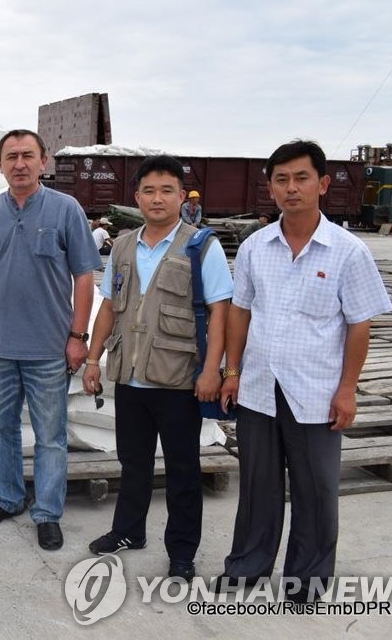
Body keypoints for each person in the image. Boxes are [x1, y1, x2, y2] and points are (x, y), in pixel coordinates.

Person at [218, 140, 392, 602]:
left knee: (316, 491)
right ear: (270, 187)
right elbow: (240, 312)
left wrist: (347, 390)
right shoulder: (256, 247)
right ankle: (247, 566)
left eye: (301, 178)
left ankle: (306, 580)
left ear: (323, 184)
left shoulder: (347, 252)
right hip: (258, 387)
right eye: (281, 179)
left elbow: (359, 325)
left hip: (315, 392)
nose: (291, 188)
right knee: (257, 486)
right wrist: (231, 371)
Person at [82, 155, 233, 580]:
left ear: (182, 198)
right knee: (133, 463)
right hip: (130, 377)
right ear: (137, 197)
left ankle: (182, 551)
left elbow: (220, 311)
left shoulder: (202, 245)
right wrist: (93, 359)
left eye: (167, 190)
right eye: (149, 190)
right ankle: (129, 531)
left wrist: (212, 371)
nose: (157, 198)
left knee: (184, 470)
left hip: (179, 379)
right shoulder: (124, 246)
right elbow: (109, 306)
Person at [0, 129, 101, 551]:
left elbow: (84, 277)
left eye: (27, 155)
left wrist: (79, 335)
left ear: (44, 161)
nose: (19, 163)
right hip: (0, 345)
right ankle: (7, 498)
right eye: (10, 156)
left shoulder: (65, 209)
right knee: (0, 430)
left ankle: (47, 513)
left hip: (49, 348)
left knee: (51, 435)